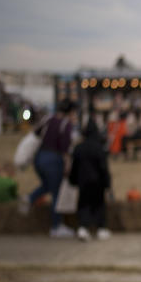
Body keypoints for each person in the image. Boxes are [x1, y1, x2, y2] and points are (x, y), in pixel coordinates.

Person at [25, 100, 77, 237]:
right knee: (56, 193)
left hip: (39, 158)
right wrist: (67, 166)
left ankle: (29, 198)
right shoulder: (66, 124)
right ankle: (56, 226)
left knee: (48, 185)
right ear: (70, 112)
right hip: (53, 160)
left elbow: (35, 134)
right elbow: (65, 149)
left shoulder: (48, 119)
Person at [69, 119, 112, 241]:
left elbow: (74, 167)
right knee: (99, 204)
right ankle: (101, 228)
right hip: (97, 181)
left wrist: (73, 180)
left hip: (83, 181)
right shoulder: (99, 148)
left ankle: (83, 227)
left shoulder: (79, 148)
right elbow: (103, 167)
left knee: (83, 204)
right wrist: (107, 182)